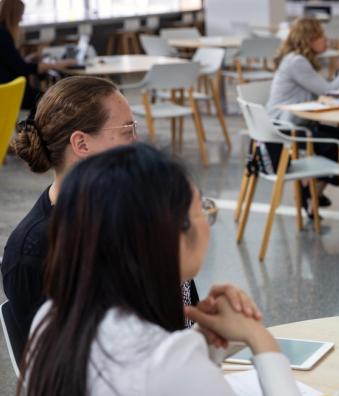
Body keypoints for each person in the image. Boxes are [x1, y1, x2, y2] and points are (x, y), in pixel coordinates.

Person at [0, 143, 323, 396]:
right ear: (171, 235)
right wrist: (261, 339)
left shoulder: (55, 316)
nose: (210, 223)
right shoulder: (157, 362)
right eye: (205, 211)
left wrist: (206, 342)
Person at [1, 76, 202, 366]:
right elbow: (66, 373)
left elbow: (185, 321)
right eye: (127, 130)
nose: (136, 143)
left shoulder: (135, 212)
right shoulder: (36, 250)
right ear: (81, 143)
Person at [266, 17, 339, 216]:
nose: (326, 40)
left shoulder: (298, 59)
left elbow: (323, 89)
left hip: (299, 121)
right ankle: (311, 192)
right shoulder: (297, 62)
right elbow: (329, 91)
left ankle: (310, 192)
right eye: (321, 36)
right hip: (286, 127)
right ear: (309, 39)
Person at [0, 0, 76, 109]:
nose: (21, 19)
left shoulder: (3, 32)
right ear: (14, 14)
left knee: (50, 96)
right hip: (12, 92)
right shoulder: (3, 35)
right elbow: (22, 68)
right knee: (56, 100)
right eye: (21, 14)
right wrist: (56, 65)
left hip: (11, 89)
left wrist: (28, 58)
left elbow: (10, 63)